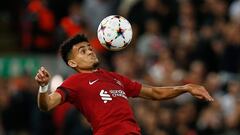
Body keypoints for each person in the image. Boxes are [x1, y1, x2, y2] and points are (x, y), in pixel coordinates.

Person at [35, 34, 214, 135]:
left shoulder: (116, 78)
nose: (90, 51)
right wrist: (43, 86)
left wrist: (186, 88)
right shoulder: (74, 82)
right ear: (73, 63)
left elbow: (155, 93)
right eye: (83, 51)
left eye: (89, 47)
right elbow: (47, 105)